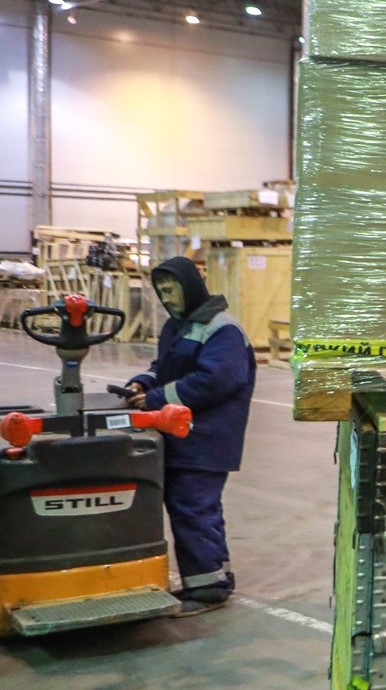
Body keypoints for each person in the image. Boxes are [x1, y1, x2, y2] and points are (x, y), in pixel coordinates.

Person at [122, 257, 256, 617]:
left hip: (206, 437)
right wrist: (142, 383)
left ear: (191, 285)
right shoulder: (178, 325)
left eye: (172, 289)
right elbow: (164, 367)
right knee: (200, 508)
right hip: (182, 435)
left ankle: (208, 590)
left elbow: (216, 380)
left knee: (191, 506)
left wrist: (155, 399)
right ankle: (215, 575)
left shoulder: (222, 328)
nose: (166, 297)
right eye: (161, 291)